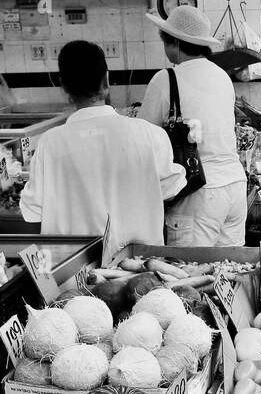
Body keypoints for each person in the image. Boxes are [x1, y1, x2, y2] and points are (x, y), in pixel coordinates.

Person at [20, 41, 185, 252]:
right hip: (139, 269)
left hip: (73, 274)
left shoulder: (50, 144)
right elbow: (172, 188)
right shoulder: (151, 135)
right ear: (106, 80)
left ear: (63, 86)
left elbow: (33, 214)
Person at [138, 6, 248, 246]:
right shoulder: (222, 76)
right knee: (229, 271)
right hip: (234, 187)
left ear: (175, 43)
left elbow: (142, 137)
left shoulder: (166, 78)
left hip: (198, 193)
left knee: (190, 275)